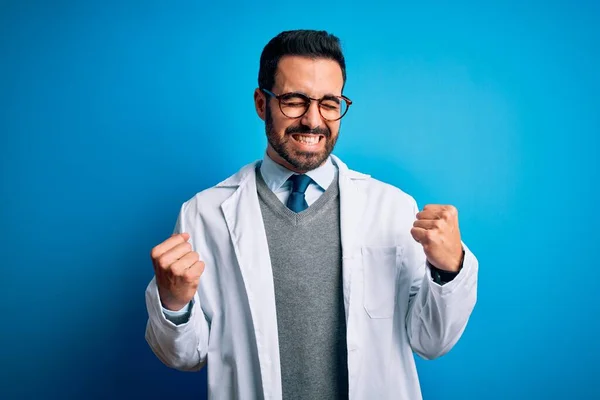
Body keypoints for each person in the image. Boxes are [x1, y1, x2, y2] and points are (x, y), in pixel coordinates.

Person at [145, 29, 478, 400]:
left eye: (329, 103)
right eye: (294, 100)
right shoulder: (204, 215)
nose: (313, 120)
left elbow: (431, 341)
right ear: (261, 103)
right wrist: (173, 304)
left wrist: (448, 271)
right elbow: (186, 356)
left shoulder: (393, 208)